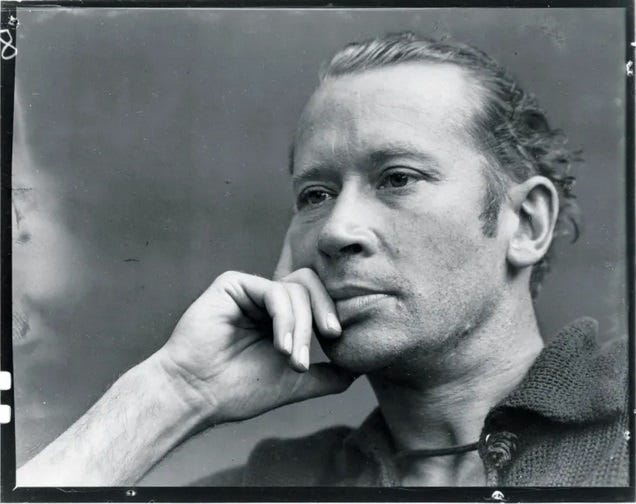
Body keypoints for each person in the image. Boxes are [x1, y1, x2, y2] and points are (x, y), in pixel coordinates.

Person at [16, 32, 628, 487]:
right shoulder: (277, 486)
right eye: (316, 194)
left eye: (397, 178)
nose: (336, 231)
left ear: (527, 223)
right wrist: (179, 390)